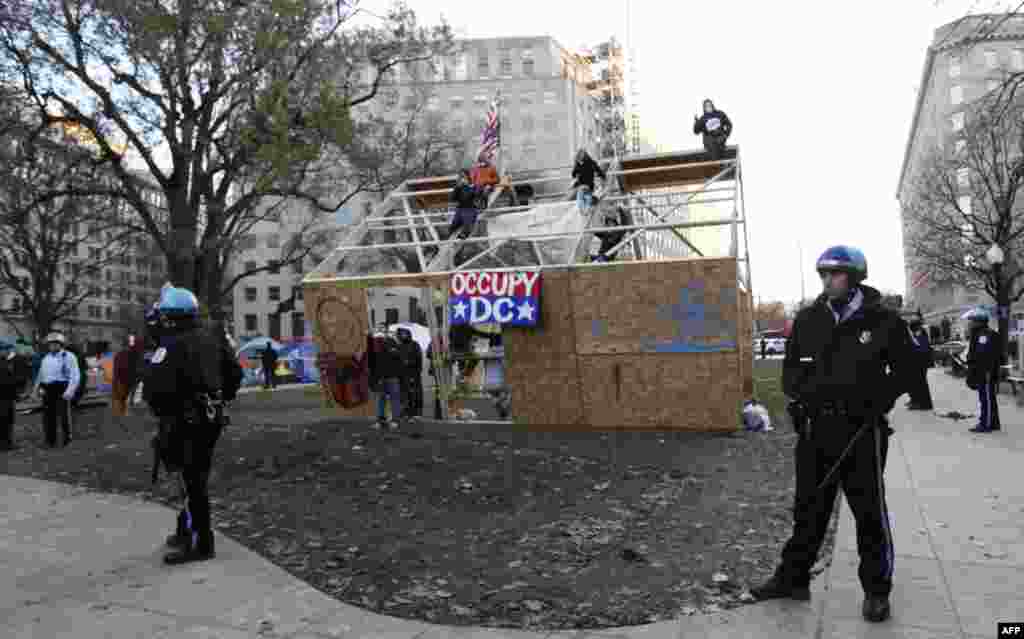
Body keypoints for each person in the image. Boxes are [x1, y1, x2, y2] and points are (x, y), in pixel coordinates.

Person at [751, 245, 912, 624]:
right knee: (808, 510)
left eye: (834, 274)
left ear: (854, 277)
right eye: (822, 274)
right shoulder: (808, 319)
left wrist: (880, 401)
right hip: (815, 431)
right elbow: (791, 370)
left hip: (861, 433)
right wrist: (798, 401)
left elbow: (908, 368)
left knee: (868, 512)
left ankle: (876, 590)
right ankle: (793, 578)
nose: (826, 280)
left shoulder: (882, 320)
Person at [144, 286, 243, 565]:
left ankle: (201, 543)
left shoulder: (170, 344)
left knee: (190, 481)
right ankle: (186, 529)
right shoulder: (214, 332)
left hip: (183, 420)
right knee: (194, 477)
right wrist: (221, 397)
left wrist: (164, 414)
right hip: (212, 417)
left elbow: (154, 390)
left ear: (170, 317)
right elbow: (235, 373)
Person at [32, 332, 80, 448]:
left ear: (61, 344)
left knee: (64, 416)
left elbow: (75, 375)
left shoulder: (68, 356)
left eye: (55, 344)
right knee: (48, 416)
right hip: (48, 389)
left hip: (62, 387)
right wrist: (36, 389)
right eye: (50, 344)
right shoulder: (46, 358)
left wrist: (70, 391)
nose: (52, 346)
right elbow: (41, 375)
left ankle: (67, 440)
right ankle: (50, 441)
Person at [964, 307, 1001, 433]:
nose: (970, 323)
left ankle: (986, 424)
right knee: (987, 397)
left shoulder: (984, 335)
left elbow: (982, 355)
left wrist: (973, 364)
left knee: (986, 398)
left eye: (972, 320)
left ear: (978, 321)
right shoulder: (980, 333)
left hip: (985, 372)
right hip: (984, 371)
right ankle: (993, 422)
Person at [367, 327, 403, 429]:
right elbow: (371, 360)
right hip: (382, 376)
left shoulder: (391, 343)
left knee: (392, 399)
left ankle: (394, 420)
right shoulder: (374, 345)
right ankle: (383, 420)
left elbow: (398, 358)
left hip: (390, 375)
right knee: (382, 399)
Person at [905, 315, 934, 411]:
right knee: (916, 382)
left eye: (911, 324)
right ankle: (916, 400)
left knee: (921, 383)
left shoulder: (919, 331)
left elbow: (920, 346)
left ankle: (925, 404)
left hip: (920, 361)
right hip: (918, 360)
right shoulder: (916, 330)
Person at [396, 327, 423, 419]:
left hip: (413, 373)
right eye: (401, 334)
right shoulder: (399, 346)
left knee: (413, 393)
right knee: (404, 393)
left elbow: (419, 358)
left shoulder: (414, 344)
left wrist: (409, 362)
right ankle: (406, 411)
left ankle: (415, 412)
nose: (403, 336)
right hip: (402, 374)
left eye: (404, 334)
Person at [448, 169, 483, 241]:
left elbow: (476, 195)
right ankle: (454, 235)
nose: (462, 178)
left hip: (470, 209)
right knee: (452, 227)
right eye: (461, 177)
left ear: (467, 177)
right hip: (460, 209)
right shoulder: (459, 187)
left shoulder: (473, 185)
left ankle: (464, 234)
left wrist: (468, 186)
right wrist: (458, 187)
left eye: (463, 176)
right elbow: (452, 198)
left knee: (467, 225)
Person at [0, 342, 21, 451]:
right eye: (4, 349)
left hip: (7, 396)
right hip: (4, 397)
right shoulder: (3, 363)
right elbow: (7, 381)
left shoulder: (6, 362)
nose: (7, 351)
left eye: (7, 349)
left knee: (8, 420)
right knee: (5, 420)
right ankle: (5, 444)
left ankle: (7, 442)